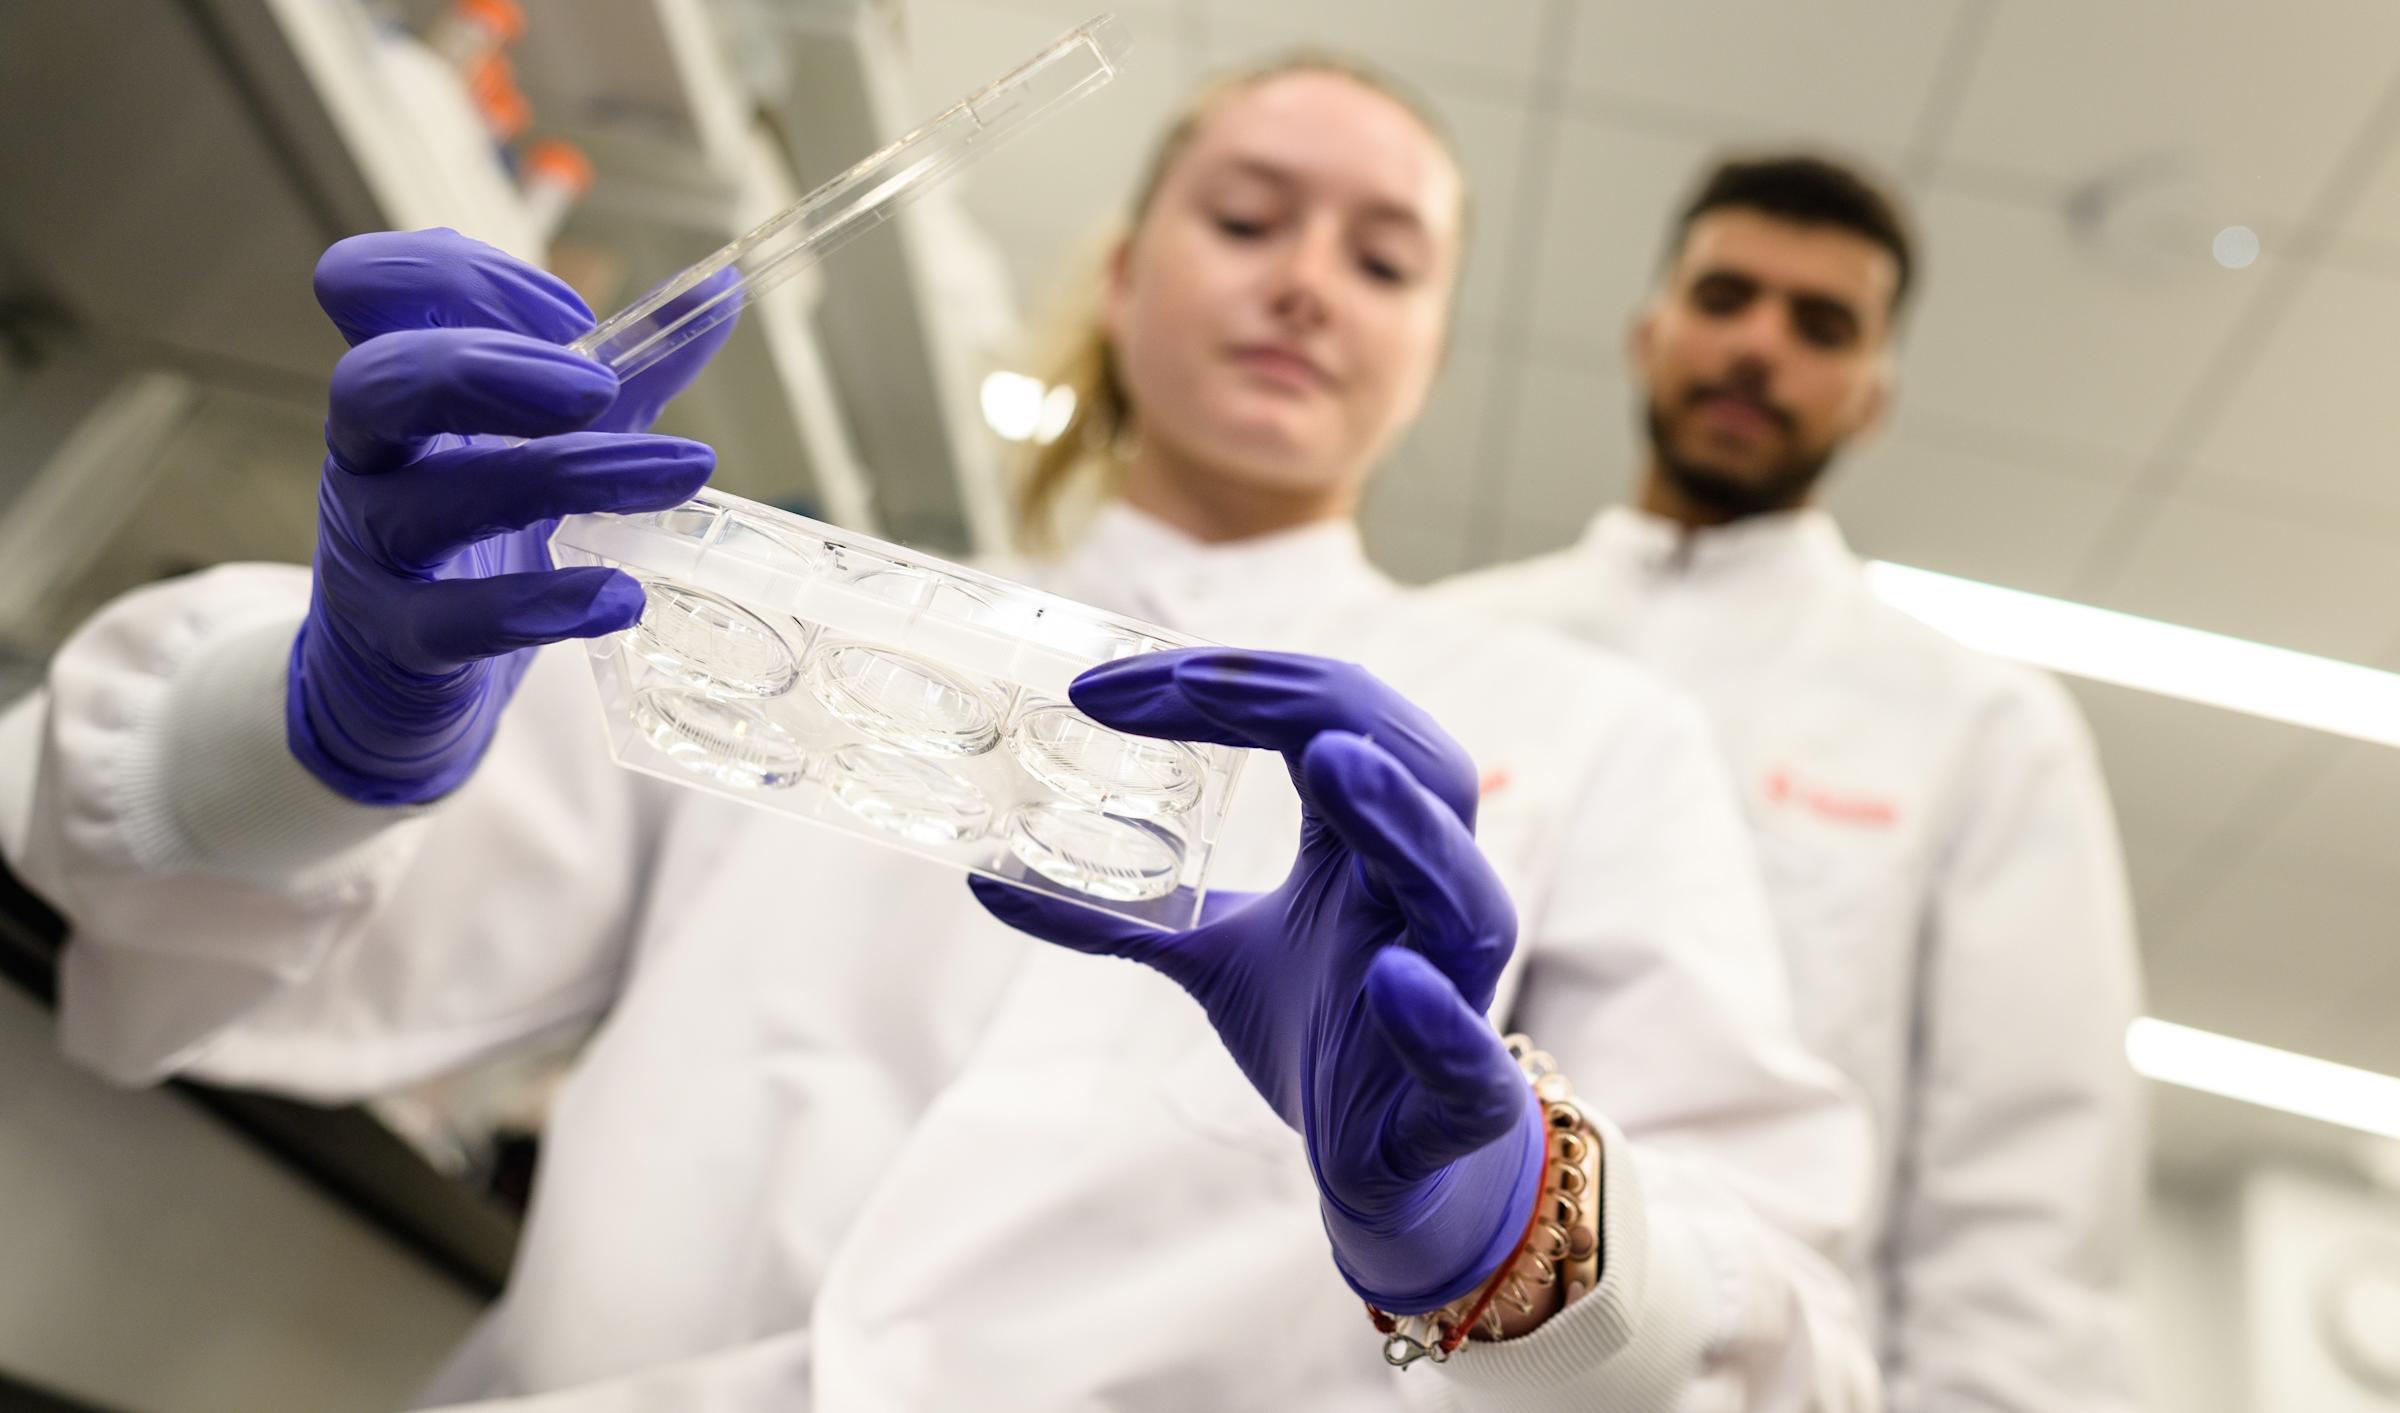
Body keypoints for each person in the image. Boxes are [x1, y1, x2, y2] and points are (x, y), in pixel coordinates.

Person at [3, 64, 1879, 1409]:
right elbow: (249, 938)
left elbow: (1791, 1332)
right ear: (1125, 278)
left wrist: (1504, 1231)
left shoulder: (1583, 731)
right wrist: (332, 728)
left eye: (1385, 262)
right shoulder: (801, 616)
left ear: (1428, 358)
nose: (1309, 278)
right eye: (1245, 219)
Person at [1436, 154, 2145, 1411]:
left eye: (1822, 326)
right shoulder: (1449, 650)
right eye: (1725, 299)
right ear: (1648, 332)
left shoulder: (1978, 728)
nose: (1760, 346)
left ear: (1873, 395)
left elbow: (2025, 1188)